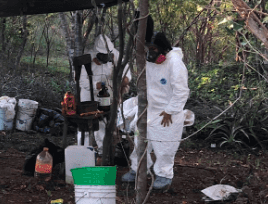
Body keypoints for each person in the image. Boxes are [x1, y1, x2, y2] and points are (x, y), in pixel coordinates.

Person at [120, 31, 189, 192]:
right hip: (147, 109)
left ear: (164, 50)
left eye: (154, 49)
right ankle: (138, 168)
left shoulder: (175, 63)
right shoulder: (148, 61)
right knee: (140, 141)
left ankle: (164, 175)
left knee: (164, 145)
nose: (150, 53)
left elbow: (181, 91)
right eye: (148, 49)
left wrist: (170, 111)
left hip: (167, 114)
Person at [77, 34, 130, 149]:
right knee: (85, 123)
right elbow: (81, 81)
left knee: (102, 122)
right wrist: (96, 84)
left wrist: (121, 84)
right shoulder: (86, 58)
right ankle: (83, 150)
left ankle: (102, 150)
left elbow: (126, 76)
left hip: (106, 95)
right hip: (89, 94)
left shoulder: (116, 55)